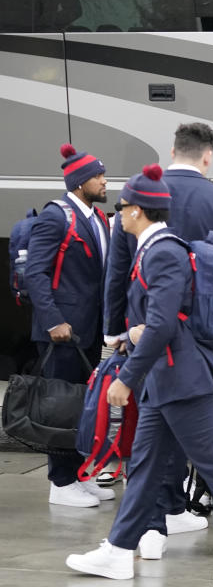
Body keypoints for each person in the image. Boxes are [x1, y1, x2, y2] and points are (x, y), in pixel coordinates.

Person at [65, 165, 213, 583]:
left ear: (138, 211)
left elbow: (163, 323)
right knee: (146, 466)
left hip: (180, 381)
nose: (118, 213)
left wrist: (126, 377)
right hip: (166, 383)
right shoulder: (157, 248)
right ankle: (117, 550)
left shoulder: (163, 251)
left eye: (122, 207)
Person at [102, 123, 213, 559]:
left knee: (153, 437)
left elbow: (117, 272)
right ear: (208, 156)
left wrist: (115, 331)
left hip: (154, 340)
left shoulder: (136, 200)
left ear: (172, 150)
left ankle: (156, 526)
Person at [24, 143, 114, 508]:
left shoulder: (96, 218)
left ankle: (79, 474)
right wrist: (53, 320)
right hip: (61, 332)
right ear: (79, 183)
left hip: (86, 331)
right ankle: (60, 483)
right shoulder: (56, 216)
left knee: (82, 405)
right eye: (98, 176)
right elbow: (36, 273)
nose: (105, 181)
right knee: (60, 406)